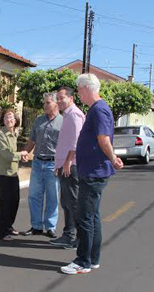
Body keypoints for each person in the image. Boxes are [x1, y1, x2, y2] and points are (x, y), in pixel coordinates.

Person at [61, 73, 123, 275]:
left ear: (87, 88)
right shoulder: (97, 109)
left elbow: (103, 139)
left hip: (94, 173)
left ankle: (83, 261)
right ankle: (93, 258)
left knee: (85, 217)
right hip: (92, 171)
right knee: (92, 217)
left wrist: (113, 159)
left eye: (79, 90)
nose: (78, 94)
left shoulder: (99, 110)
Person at [22, 92, 63, 238]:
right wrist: (25, 151)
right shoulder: (39, 120)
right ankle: (36, 226)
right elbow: (32, 140)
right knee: (34, 195)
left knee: (52, 197)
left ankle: (50, 227)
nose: (44, 105)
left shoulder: (63, 122)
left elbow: (66, 145)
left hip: (53, 164)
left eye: (47, 103)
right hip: (38, 163)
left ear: (56, 104)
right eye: (44, 103)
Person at [49, 86, 85, 249]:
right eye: (57, 98)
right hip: (65, 165)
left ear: (71, 98)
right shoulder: (68, 115)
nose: (58, 101)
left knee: (73, 203)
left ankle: (78, 238)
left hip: (72, 166)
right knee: (67, 202)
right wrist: (60, 164)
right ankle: (68, 234)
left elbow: (76, 142)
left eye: (61, 97)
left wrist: (68, 162)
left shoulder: (74, 115)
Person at [0, 109, 27, 241]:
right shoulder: (0, 134)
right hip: (3, 174)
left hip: (13, 173)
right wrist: (21, 155)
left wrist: (20, 157)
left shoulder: (14, 133)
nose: (9, 120)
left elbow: (13, 155)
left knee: (15, 202)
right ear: (3, 120)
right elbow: (6, 154)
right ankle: (2, 232)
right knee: (5, 203)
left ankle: (9, 226)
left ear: (16, 120)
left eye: (11, 117)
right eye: (7, 117)